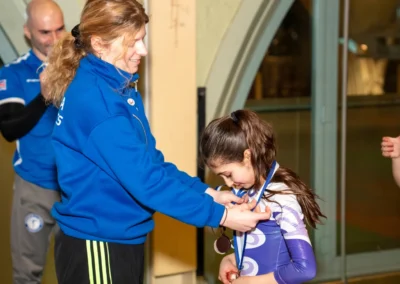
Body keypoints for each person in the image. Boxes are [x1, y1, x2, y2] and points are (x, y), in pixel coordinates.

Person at [42, 0, 271, 283]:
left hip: (119, 239)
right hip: (98, 245)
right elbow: (147, 182)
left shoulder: (118, 89)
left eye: (142, 39)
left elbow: (152, 163)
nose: (143, 50)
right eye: (133, 42)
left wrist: (209, 194)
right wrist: (221, 216)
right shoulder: (100, 105)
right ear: (99, 44)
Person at [199, 109, 326, 284]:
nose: (227, 184)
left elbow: (305, 268)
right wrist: (231, 259)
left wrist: (250, 282)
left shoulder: (282, 198)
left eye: (228, 174)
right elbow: (264, 249)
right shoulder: (244, 192)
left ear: (247, 156)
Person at [0, 0, 65, 283]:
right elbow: (9, 128)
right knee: (27, 275)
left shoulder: (82, 69)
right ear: (28, 32)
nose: (54, 39)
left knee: (79, 272)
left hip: (76, 188)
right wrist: (44, 97)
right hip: (34, 188)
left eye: (60, 30)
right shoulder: (13, 73)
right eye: (45, 32)